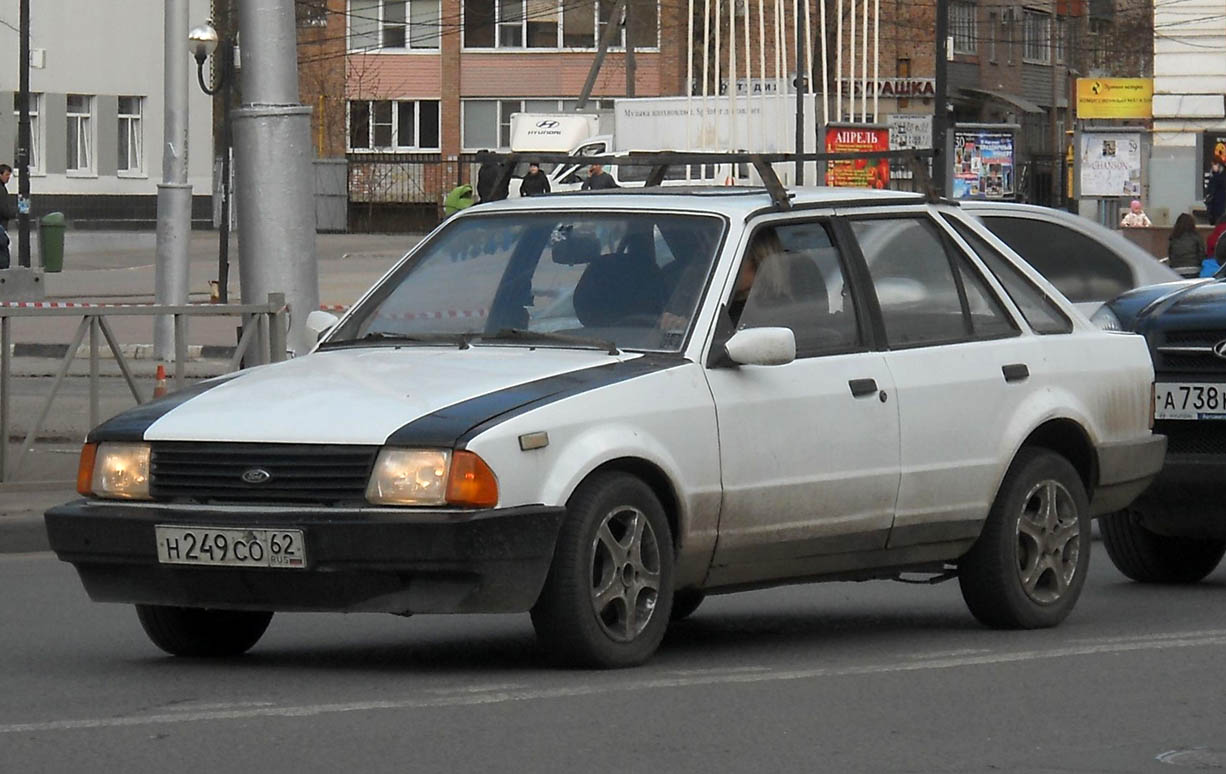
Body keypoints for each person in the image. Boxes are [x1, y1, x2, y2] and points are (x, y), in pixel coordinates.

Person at [1167, 213, 1206, 277]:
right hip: (1194, 269)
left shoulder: (1173, 238)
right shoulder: (1196, 237)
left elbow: (1170, 254)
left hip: (1177, 269)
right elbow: (1201, 254)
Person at [0, 164, 14, 269]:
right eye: (7, 174)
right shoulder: (1, 189)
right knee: (5, 245)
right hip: (1, 224)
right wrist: (12, 214)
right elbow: (3, 208)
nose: (8, 177)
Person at [1206, 159, 1226, 225]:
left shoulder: (1221, 176)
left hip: (1221, 205)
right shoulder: (1212, 176)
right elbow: (1209, 190)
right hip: (1213, 206)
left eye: (1215, 165)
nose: (1213, 167)